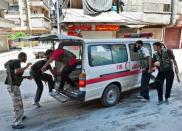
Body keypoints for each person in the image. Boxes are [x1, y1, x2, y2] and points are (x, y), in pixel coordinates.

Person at [4, 52, 31, 129]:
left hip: (13, 86)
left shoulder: (15, 62)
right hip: (13, 86)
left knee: (19, 102)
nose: (26, 58)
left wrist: (26, 77)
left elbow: (15, 75)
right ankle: (16, 123)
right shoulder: (16, 61)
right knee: (17, 104)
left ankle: (21, 116)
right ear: (22, 57)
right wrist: (27, 66)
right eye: (25, 57)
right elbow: (17, 71)